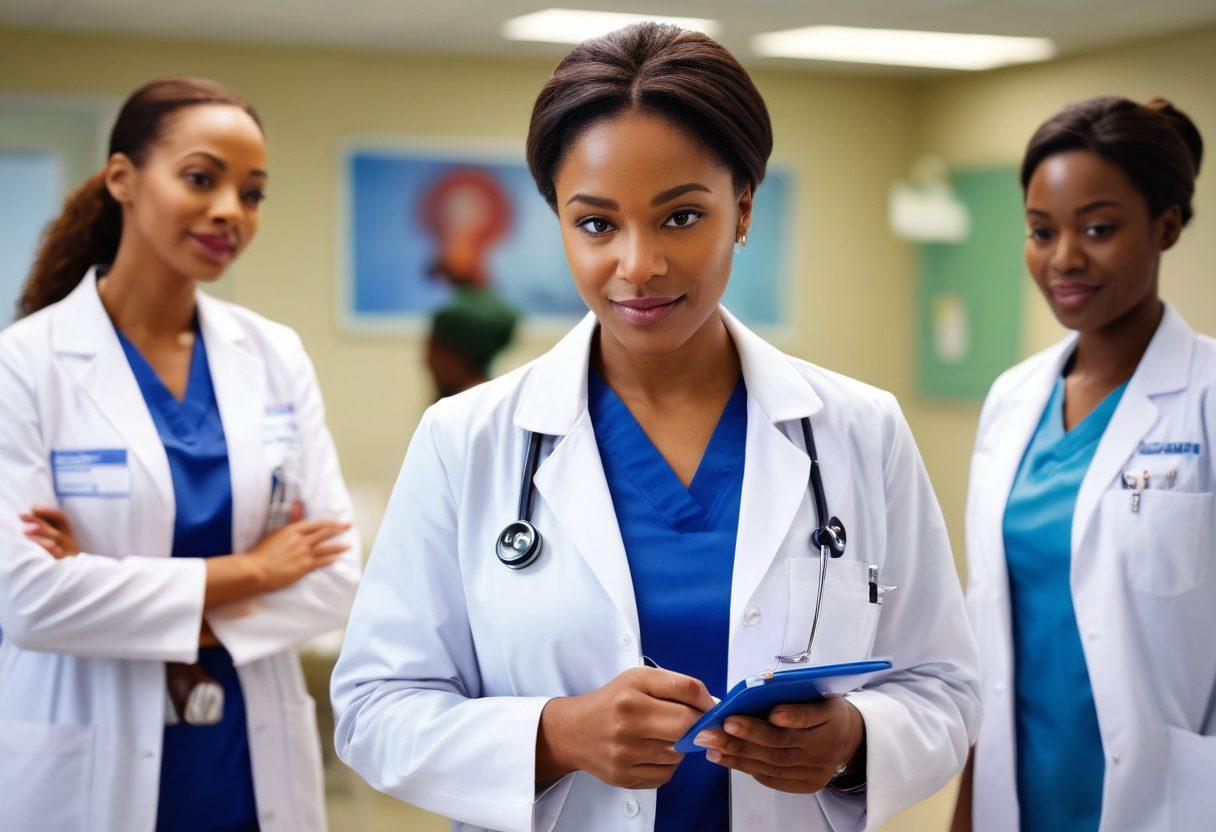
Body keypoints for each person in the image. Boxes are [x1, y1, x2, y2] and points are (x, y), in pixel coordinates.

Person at [332, 24, 977, 832]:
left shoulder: (860, 430)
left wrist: (855, 741)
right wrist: (553, 735)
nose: (637, 265)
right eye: (596, 224)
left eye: (679, 218)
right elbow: (373, 707)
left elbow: (945, 687)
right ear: (558, 222)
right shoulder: (467, 439)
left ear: (743, 208)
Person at [0, 77, 361, 832]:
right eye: (201, 178)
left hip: (244, 754)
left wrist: (108, 599)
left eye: (253, 193)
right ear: (123, 179)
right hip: (84, 754)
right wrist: (252, 572)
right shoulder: (25, 365)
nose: (231, 210)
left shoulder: (272, 354)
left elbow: (334, 577)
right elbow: (29, 601)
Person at [953, 96, 1213, 832]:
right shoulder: (1013, 401)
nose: (1064, 256)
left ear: (1165, 226)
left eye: (1098, 229)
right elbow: (989, 645)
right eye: (1041, 231)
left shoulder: (1207, 399)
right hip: (1020, 795)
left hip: (1170, 805)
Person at [426, 285, 520, 399]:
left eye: (435, 351)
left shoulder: (466, 409)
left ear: (458, 355)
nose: (427, 361)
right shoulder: (493, 403)